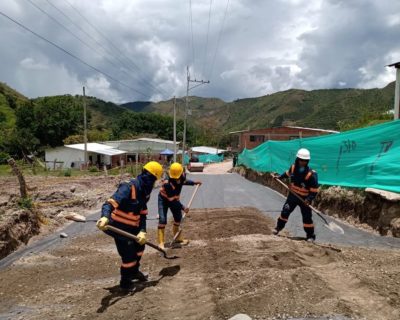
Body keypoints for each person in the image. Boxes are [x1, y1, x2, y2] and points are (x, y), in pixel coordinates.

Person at [96, 161, 163, 291]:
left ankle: (134, 272)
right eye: (154, 179)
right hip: (119, 228)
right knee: (129, 256)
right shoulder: (128, 187)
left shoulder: (145, 192)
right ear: (148, 176)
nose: (154, 182)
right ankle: (125, 283)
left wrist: (142, 231)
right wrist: (104, 217)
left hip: (133, 228)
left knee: (140, 248)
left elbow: (142, 213)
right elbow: (109, 203)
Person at [272, 148, 319, 241]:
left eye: (305, 161)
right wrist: (280, 177)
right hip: (292, 196)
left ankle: (310, 236)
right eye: (301, 160)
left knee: (307, 218)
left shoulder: (311, 174)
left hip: (304, 199)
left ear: (307, 161)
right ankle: (278, 228)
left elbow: (314, 190)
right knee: (285, 212)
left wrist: (309, 200)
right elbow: (287, 173)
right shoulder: (293, 167)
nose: (302, 162)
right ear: (297, 159)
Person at [157, 162, 202, 249]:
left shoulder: (182, 176)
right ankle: (161, 242)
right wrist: (183, 207)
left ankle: (178, 238)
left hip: (174, 199)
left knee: (178, 218)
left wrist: (194, 183)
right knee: (162, 219)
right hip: (164, 200)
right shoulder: (167, 183)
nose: (177, 179)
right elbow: (172, 201)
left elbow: (184, 181)